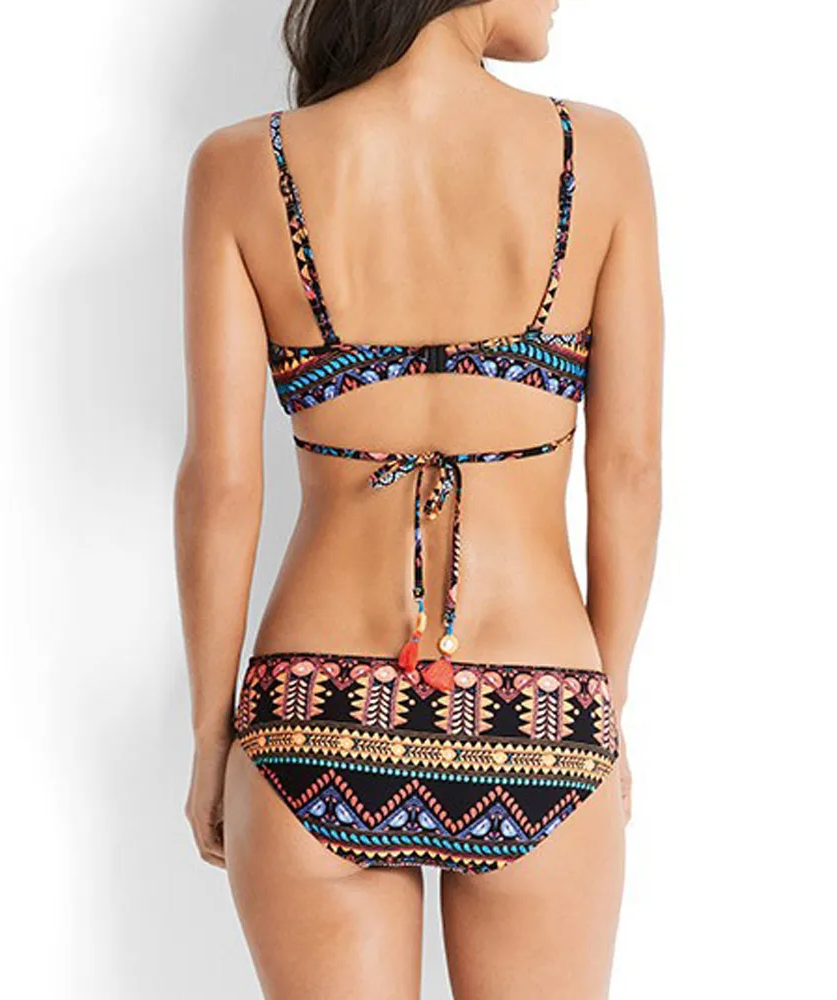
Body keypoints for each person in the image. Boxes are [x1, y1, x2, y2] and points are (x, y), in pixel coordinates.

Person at [175, 1, 662, 996]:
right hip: (538, 710)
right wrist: (602, 707)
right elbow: (629, 469)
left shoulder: (244, 165)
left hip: (309, 715)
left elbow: (222, 487)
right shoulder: (598, 156)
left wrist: (210, 734)